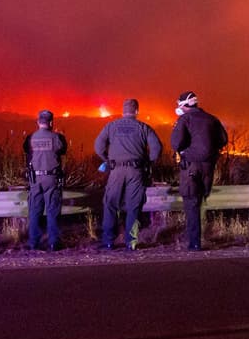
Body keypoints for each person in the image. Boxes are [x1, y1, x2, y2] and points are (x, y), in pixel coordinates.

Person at [94, 99, 162, 251]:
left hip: (116, 171)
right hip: (136, 171)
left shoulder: (111, 126)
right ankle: (131, 242)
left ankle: (109, 242)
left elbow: (98, 146)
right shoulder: (143, 127)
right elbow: (157, 149)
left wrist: (108, 160)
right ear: (137, 111)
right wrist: (147, 164)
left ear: (123, 111)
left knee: (110, 204)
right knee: (134, 206)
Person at [170, 91, 228, 251]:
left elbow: (175, 143)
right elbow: (223, 140)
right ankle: (200, 238)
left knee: (191, 202)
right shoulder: (212, 119)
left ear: (184, 105)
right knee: (201, 199)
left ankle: (194, 242)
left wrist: (186, 150)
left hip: (191, 167)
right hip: (208, 168)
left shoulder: (185, 119)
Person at [23, 110, 68, 251]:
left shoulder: (30, 139)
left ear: (38, 122)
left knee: (34, 211)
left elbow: (27, 151)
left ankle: (33, 243)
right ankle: (53, 242)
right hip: (52, 178)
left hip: (35, 179)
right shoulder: (58, 138)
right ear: (51, 122)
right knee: (52, 210)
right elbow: (63, 150)